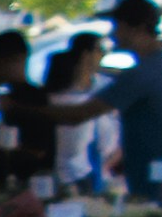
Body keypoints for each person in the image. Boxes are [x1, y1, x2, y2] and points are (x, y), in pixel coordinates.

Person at [48, 0, 162, 204]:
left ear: (137, 29)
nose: (114, 34)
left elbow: (79, 115)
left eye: (118, 26)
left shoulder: (144, 74)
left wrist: (18, 108)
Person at [42, 37, 113, 194]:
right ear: (85, 56)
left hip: (94, 170)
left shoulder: (104, 85)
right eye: (99, 51)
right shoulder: (67, 99)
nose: (102, 56)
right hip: (75, 173)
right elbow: (75, 143)